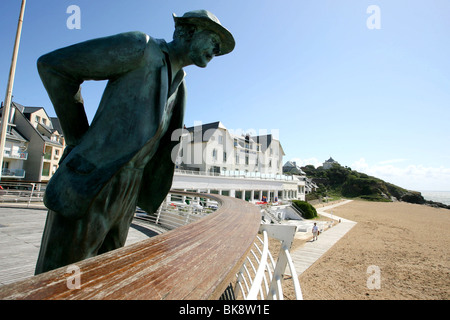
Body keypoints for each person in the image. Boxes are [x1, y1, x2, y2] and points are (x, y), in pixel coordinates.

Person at [34, 10, 235, 275]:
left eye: (220, 47)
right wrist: (78, 140)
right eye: (214, 39)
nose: (216, 49)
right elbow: (54, 67)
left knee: (105, 274)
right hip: (94, 180)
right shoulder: (141, 47)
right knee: (60, 277)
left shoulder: (180, 84)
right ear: (189, 30)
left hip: (130, 189)